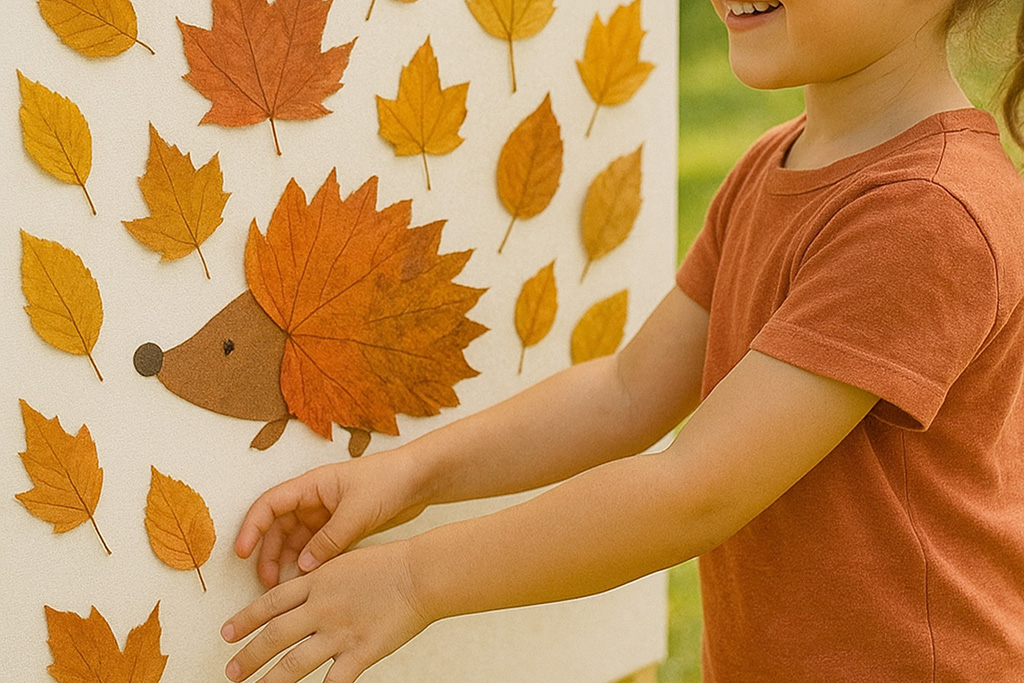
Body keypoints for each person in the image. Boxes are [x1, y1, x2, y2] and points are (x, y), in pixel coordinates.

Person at [220, 0, 1024, 680]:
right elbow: (627, 392)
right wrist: (413, 475)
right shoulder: (772, 165)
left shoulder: (927, 214)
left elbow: (696, 488)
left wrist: (414, 578)